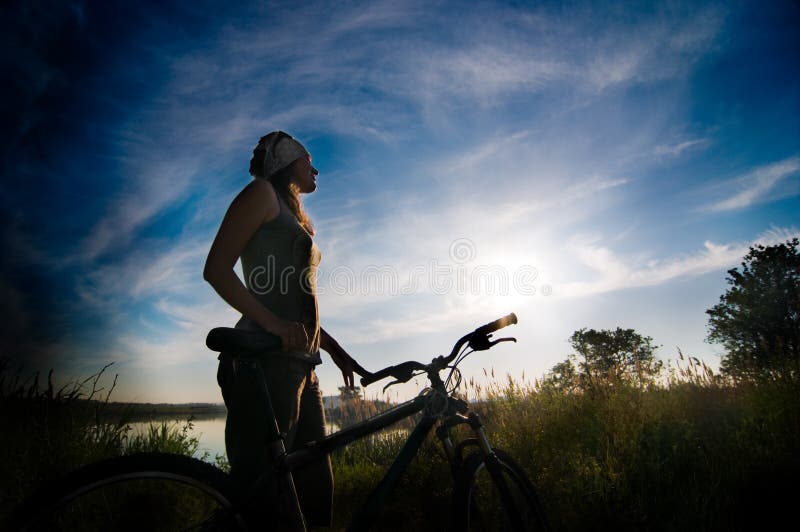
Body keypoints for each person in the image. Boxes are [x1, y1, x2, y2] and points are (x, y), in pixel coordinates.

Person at [203, 131, 365, 527]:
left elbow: (294, 293)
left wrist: (329, 344)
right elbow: (216, 269)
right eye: (308, 159)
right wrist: (274, 325)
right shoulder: (261, 194)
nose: (316, 168)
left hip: (302, 366)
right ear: (287, 162)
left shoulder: (296, 218)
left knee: (315, 493)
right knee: (261, 495)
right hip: (267, 360)